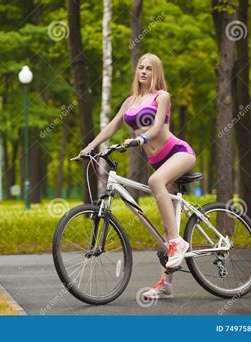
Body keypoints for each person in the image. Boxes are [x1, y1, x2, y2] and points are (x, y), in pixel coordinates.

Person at [78, 53, 196, 299]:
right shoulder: (130, 101)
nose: (143, 72)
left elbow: (156, 128)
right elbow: (111, 126)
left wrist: (140, 138)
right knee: (165, 224)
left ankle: (178, 242)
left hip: (178, 153)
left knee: (155, 182)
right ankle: (166, 283)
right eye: (141, 67)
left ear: (156, 73)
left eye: (149, 68)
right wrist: (91, 146)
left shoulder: (162, 96)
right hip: (159, 162)